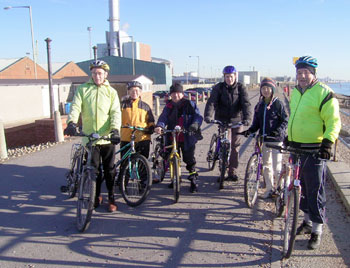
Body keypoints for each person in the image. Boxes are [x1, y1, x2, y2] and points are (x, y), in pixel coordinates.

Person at [286, 56, 341, 249]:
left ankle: (317, 229)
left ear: (313, 73)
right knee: (302, 189)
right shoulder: (296, 91)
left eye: (305, 72)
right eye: (299, 72)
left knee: (315, 190)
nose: (301, 76)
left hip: (315, 149)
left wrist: (327, 143)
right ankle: (307, 222)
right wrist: (288, 136)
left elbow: (334, 121)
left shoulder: (324, 92)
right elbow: (294, 116)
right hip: (296, 147)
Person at [64, 60, 121, 213]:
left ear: (106, 74)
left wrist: (115, 129)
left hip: (107, 137)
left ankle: (111, 197)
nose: (97, 76)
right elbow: (75, 106)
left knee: (109, 170)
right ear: (91, 74)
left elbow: (115, 112)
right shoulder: (83, 89)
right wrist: (71, 122)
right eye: (95, 73)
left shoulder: (111, 92)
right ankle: (95, 197)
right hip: (90, 138)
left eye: (100, 73)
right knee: (94, 170)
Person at [240, 78, 288, 198]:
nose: (265, 90)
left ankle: (280, 190)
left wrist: (278, 131)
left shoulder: (278, 104)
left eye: (268, 88)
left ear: (272, 89)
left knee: (277, 167)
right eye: (263, 88)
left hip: (276, 140)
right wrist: (250, 130)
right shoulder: (259, 105)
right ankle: (269, 189)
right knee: (266, 166)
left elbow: (285, 120)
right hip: (264, 139)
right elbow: (256, 123)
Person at [204, 65, 252, 181]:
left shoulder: (241, 88)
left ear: (235, 76)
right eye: (226, 77)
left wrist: (247, 119)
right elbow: (211, 102)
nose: (229, 79)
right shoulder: (219, 88)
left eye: (231, 76)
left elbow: (246, 104)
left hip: (237, 121)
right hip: (223, 120)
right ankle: (222, 170)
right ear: (224, 77)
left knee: (235, 147)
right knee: (225, 144)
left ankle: (232, 171)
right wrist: (208, 115)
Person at [154, 83, 203, 193]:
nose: (176, 95)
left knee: (189, 159)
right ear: (171, 95)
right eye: (173, 93)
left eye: (178, 93)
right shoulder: (168, 106)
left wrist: (195, 125)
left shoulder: (189, 104)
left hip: (187, 136)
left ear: (182, 94)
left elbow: (197, 116)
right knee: (171, 158)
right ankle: (175, 178)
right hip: (172, 136)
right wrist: (160, 126)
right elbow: (163, 118)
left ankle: (193, 180)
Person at [120, 81, 155, 161]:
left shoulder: (145, 106)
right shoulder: (122, 105)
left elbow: (151, 120)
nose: (134, 92)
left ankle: (143, 173)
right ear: (128, 91)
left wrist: (151, 127)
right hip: (126, 138)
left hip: (142, 138)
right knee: (125, 163)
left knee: (142, 163)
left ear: (140, 92)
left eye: (137, 90)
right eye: (132, 90)